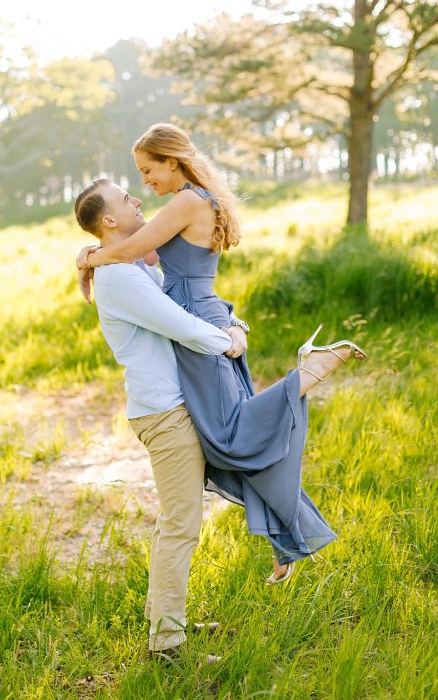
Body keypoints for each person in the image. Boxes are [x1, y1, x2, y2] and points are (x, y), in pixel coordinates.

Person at [76, 123, 366, 584]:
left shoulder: (186, 202)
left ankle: (309, 372)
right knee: (223, 443)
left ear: (173, 161)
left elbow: (131, 249)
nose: (144, 184)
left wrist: (86, 261)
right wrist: (96, 249)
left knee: (231, 436)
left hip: (195, 321)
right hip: (203, 314)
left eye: (149, 170)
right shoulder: (196, 199)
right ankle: (285, 539)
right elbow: (141, 257)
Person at [75, 178, 249, 661]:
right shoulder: (121, 278)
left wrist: (90, 255)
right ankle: (167, 644)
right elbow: (178, 323)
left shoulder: (126, 264)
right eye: (126, 199)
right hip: (164, 413)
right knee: (180, 526)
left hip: (170, 406)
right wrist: (229, 340)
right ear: (109, 220)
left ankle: (166, 620)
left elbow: (179, 286)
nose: (137, 200)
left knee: (175, 522)